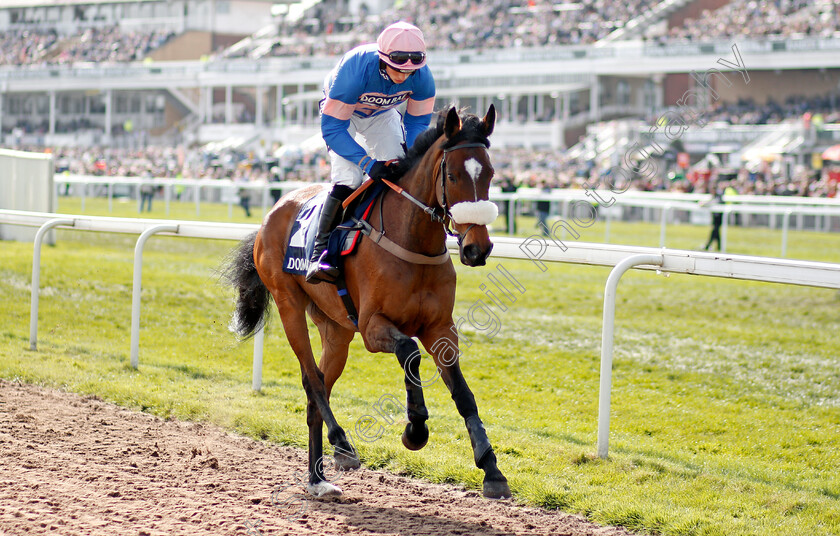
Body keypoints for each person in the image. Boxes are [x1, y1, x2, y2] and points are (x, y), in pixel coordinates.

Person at [305, 21, 436, 284]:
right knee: (350, 178)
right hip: (343, 114)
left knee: (399, 172)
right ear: (382, 58)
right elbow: (332, 129)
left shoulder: (423, 78)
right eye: (397, 68)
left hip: (381, 114)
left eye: (410, 71)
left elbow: (416, 124)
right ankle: (320, 254)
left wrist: (409, 159)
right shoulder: (356, 69)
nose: (403, 76)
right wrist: (367, 162)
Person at [701, 181, 725, 251]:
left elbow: (715, 203)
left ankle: (708, 245)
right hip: (714, 217)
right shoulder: (714, 196)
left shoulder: (718, 196)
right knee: (716, 232)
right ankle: (718, 246)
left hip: (719, 217)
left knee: (714, 231)